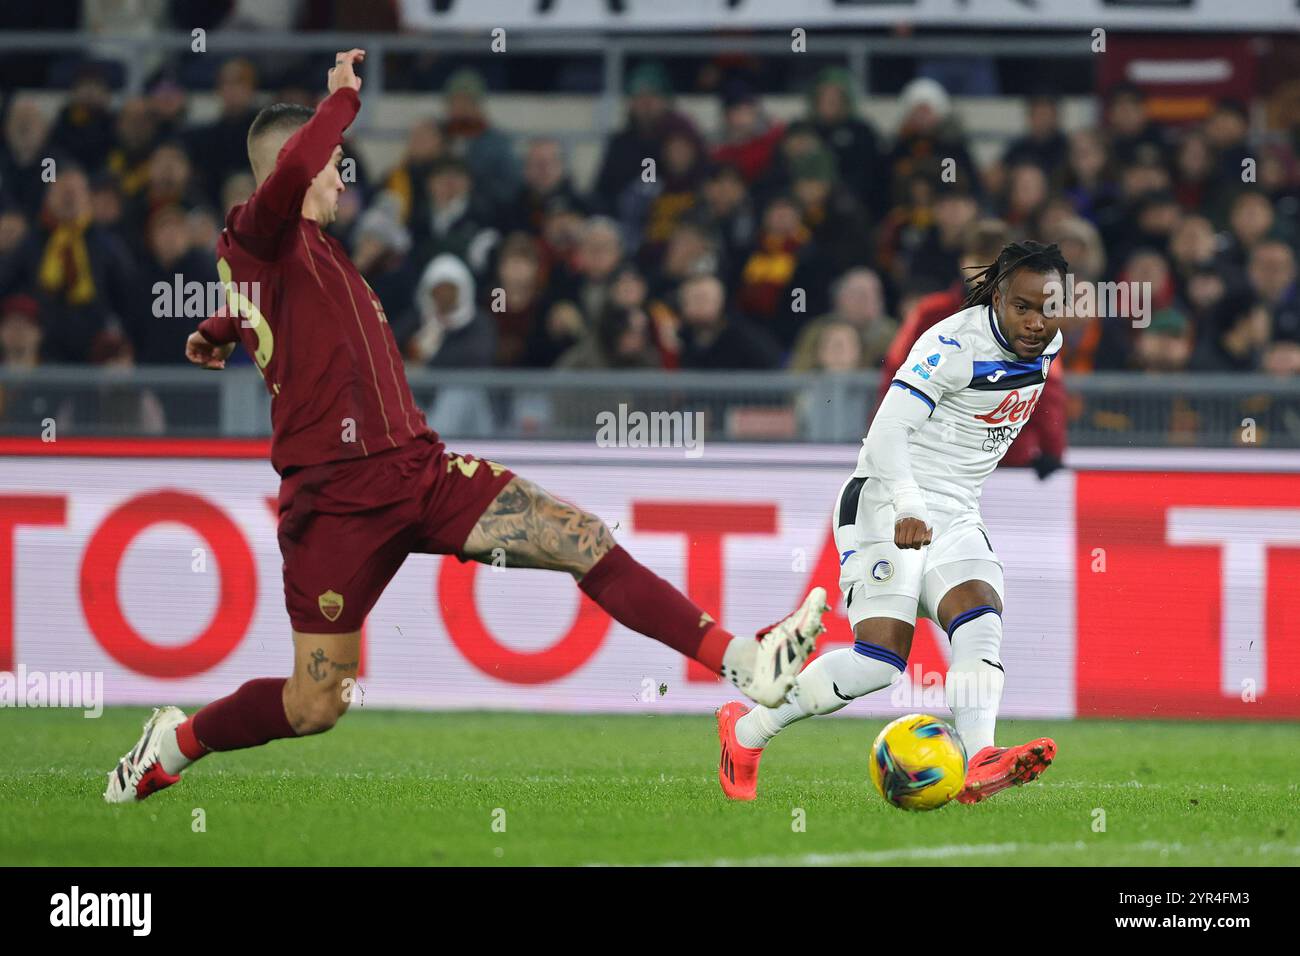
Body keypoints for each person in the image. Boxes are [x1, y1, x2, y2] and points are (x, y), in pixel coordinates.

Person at [103, 51, 826, 804]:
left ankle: (746, 660)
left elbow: (276, 309)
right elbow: (282, 204)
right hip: (336, 503)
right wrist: (342, 102)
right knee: (314, 705)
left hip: (420, 472)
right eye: (332, 166)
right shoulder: (260, 232)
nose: (339, 179)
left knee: (583, 538)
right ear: (294, 164)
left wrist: (224, 325)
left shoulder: (298, 256)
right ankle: (175, 744)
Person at [715, 241, 1067, 803]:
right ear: (998, 296)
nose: (1036, 321)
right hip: (886, 499)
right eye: (1023, 307)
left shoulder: (1050, 344)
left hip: (956, 509)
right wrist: (907, 503)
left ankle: (980, 759)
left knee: (980, 619)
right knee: (879, 664)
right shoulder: (952, 345)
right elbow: (885, 433)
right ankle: (746, 731)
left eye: (1048, 308)